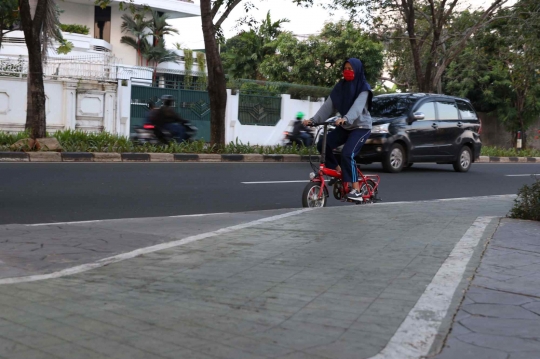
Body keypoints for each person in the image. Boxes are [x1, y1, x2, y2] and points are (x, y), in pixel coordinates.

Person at [303, 58, 373, 202]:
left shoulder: (363, 87)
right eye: (345, 68)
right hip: (346, 126)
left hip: (361, 127)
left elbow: (357, 108)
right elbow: (328, 107)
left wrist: (346, 118)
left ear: (358, 70)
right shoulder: (340, 87)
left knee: (348, 154)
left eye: (351, 68)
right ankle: (339, 172)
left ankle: (357, 190)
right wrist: (313, 120)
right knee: (323, 144)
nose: (347, 71)